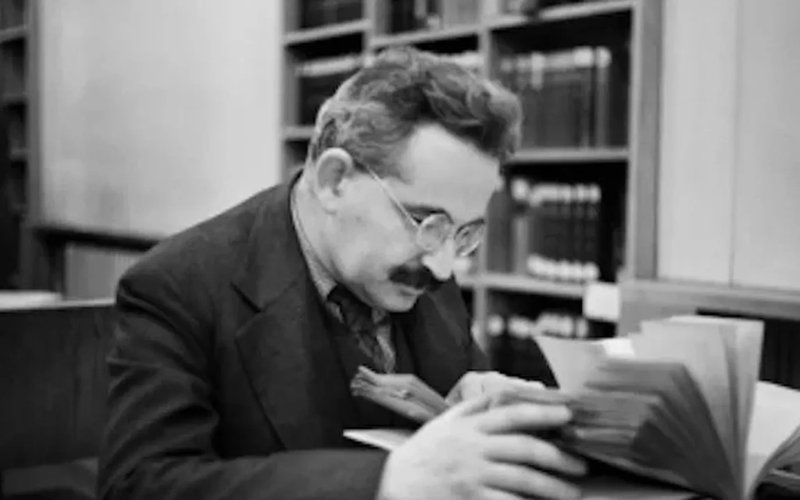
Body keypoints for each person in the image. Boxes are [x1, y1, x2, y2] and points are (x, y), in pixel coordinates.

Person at [97, 46, 587, 500]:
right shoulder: (178, 287)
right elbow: (141, 485)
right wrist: (385, 482)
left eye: (464, 234)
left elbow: (454, 431)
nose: (444, 266)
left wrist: (480, 405)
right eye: (426, 222)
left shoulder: (422, 265)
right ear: (334, 181)